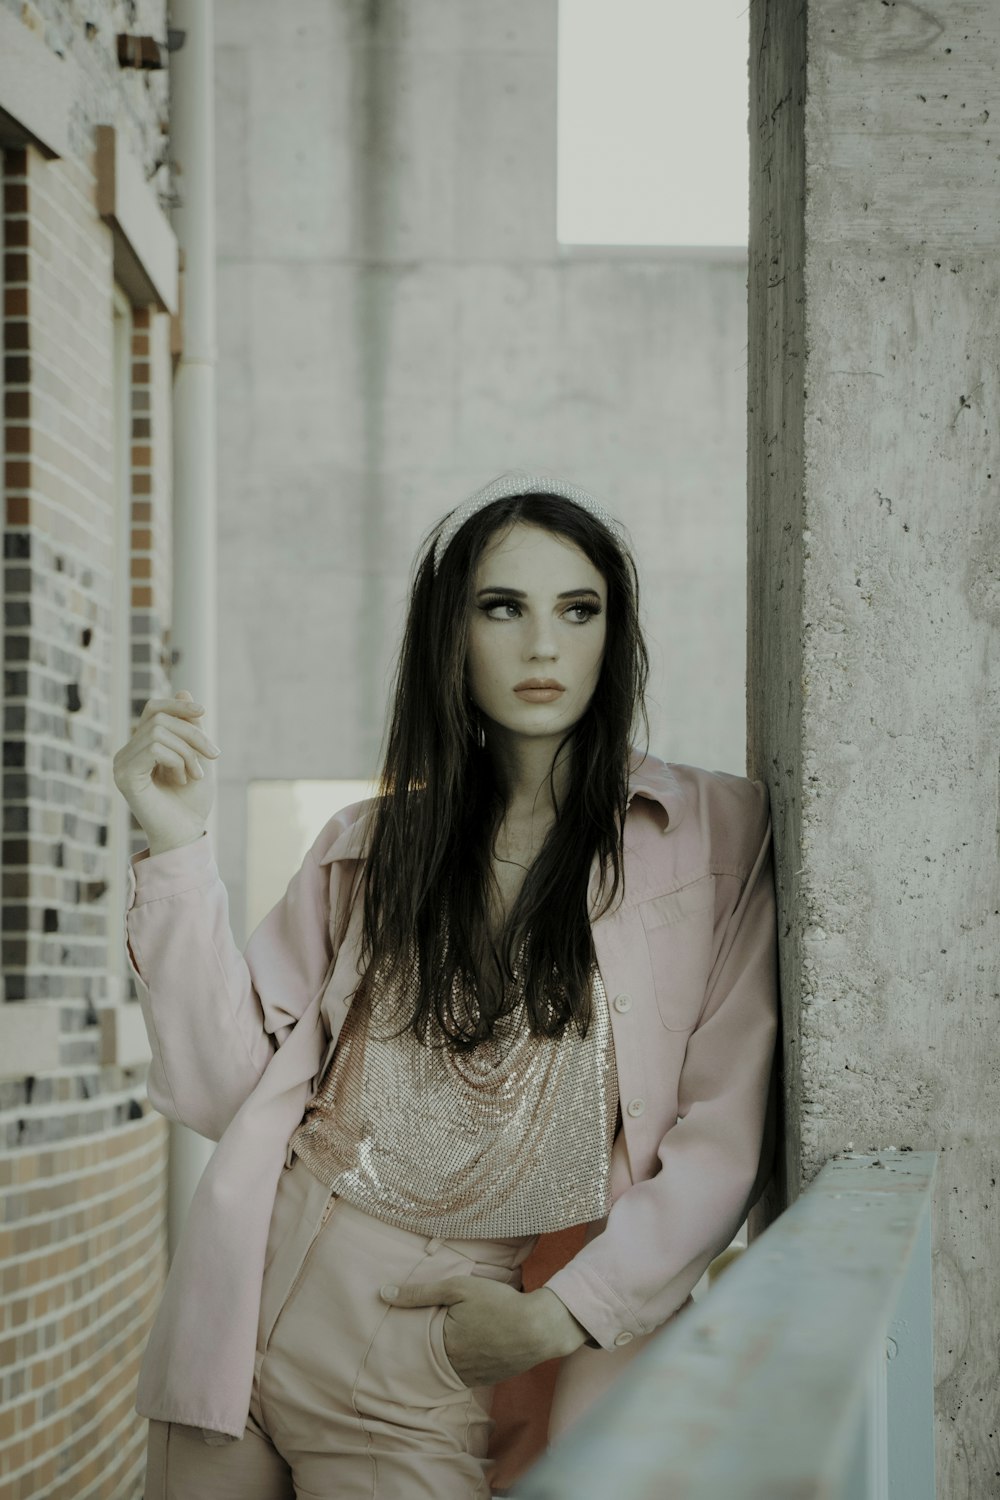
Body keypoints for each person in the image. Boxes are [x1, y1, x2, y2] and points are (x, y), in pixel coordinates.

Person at [113, 471, 780, 1499]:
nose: (543, 645)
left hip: (428, 1342)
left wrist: (563, 1314)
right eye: (502, 607)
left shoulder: (708, 838)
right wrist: (176, 847)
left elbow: (723, 1126)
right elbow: (221, 1088)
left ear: (616, 633)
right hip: (244, 1298)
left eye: (578, 609)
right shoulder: (373, 845)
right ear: (451, 634)